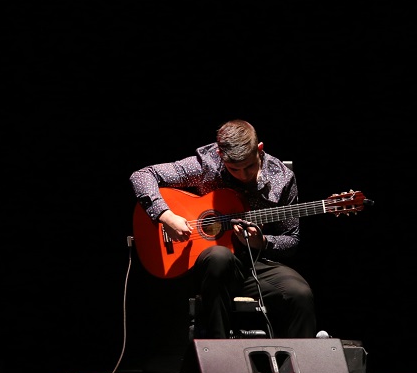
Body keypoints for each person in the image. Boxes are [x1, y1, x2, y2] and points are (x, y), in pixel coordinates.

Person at [129, 119, 316, 339]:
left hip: (252, 264)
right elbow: (141, 176)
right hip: (207, 268)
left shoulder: (282, 178)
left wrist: (262, 242)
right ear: (220, 155)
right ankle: (219, 350)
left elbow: (291, 239)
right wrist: (166, 216)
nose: (243, 175)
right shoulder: (207, 164)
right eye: (234, 169)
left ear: (259, 149)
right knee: (219, 256)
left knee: (299, 293)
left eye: (249, 166)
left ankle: (299, 360)